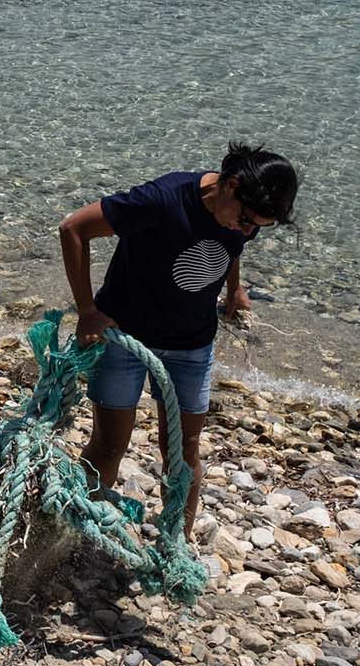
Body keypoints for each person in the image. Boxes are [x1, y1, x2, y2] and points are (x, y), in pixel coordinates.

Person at [59, 143, 300, 539]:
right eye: (245, 220)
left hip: (192, 345)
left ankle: (177, 541)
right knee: (109, 445)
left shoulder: (243, 216)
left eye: (257, 226)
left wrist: (234, 290)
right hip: (124, 338)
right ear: (231, 185)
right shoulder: (162, 200)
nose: (247, 230)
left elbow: (231, 245)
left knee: (184, 449)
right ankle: (74, 530)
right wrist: (87, 311)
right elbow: (73, 228)